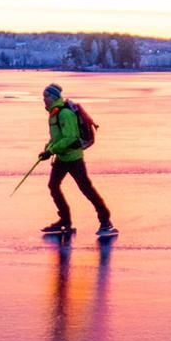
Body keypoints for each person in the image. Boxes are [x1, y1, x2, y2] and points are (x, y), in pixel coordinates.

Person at [39, 83, 116, 239]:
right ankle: (65, 220)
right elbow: (57, 137)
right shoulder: (54, 113)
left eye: (45, 97)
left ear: (52, 97)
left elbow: (70, 138)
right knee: (53, 186)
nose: (43, 100)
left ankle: (106, 221)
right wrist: (48, 149)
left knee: (86, 189)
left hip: (74, 158)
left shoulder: (64, 114)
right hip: (62, 157)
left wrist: (51, 151)